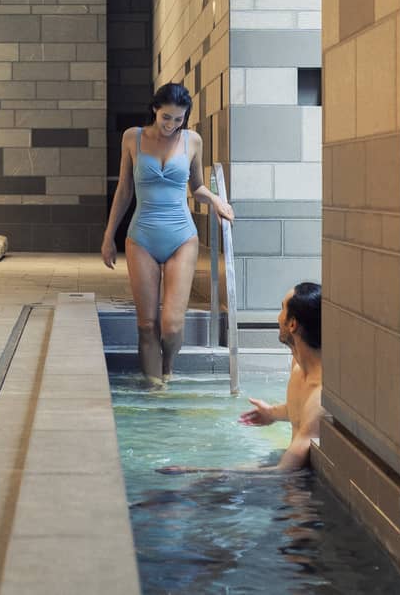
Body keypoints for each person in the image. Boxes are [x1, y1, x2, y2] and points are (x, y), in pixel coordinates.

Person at [102, 83, 235, 388]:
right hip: (142, 236)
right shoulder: (132, 138)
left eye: (178, 120)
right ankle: (154, 389)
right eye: (166, 118)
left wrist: (216, 200)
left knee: (171, 326)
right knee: (147, 324)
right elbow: (124, 190)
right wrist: (109, 235)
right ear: (154, 110)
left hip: (181, 237)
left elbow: (198, 187)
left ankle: (167, 370)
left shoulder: (193, 141)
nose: (171, 125)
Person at [159, 283, 324, 473]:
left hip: (298, 482)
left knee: (212, 482)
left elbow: (284, 471)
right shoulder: (298, 365)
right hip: (285, 464)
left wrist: (196, 469)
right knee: (208, 483)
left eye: (282, 309)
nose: (278, 317)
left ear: (292, 324)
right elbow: (299, 411)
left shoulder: (320, 395)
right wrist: (272, 413)